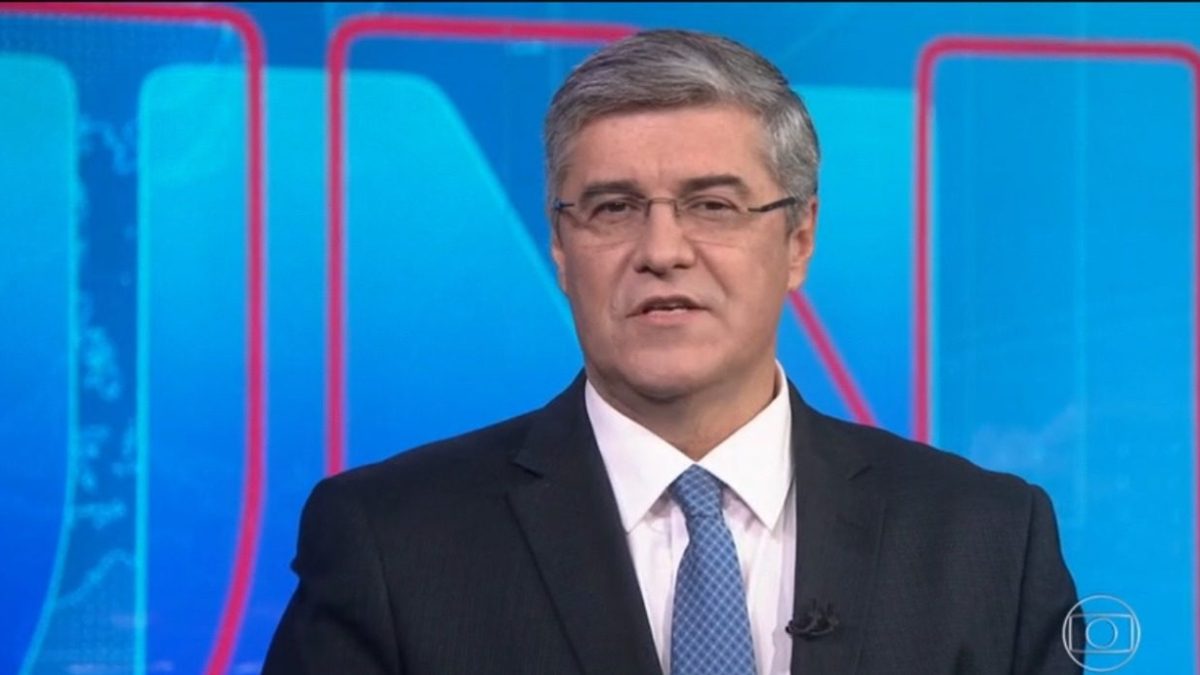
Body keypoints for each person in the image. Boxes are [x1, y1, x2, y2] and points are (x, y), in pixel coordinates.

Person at [263, 29, 1080, 674]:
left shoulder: (987, 541)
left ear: (799, 238)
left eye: (713, 205)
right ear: (560, 247)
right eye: (613, 208)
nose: (661, 250)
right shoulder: (391, 541)